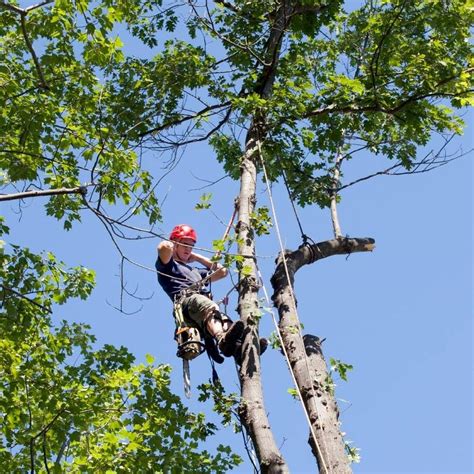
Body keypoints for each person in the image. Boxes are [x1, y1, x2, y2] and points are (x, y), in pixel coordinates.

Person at [156, 224, 244, 358]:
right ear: (175, 245)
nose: (188, 249)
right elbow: (163, 248)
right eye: (185, 244)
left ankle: (243, 348)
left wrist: (197, 257)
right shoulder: (168, 266)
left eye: (191, 246)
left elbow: (222, 272)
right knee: (210, 307)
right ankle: (221, 339)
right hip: (187, 303)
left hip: (202, 312)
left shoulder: (195, 271)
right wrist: (170, 245)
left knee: (224, 320)